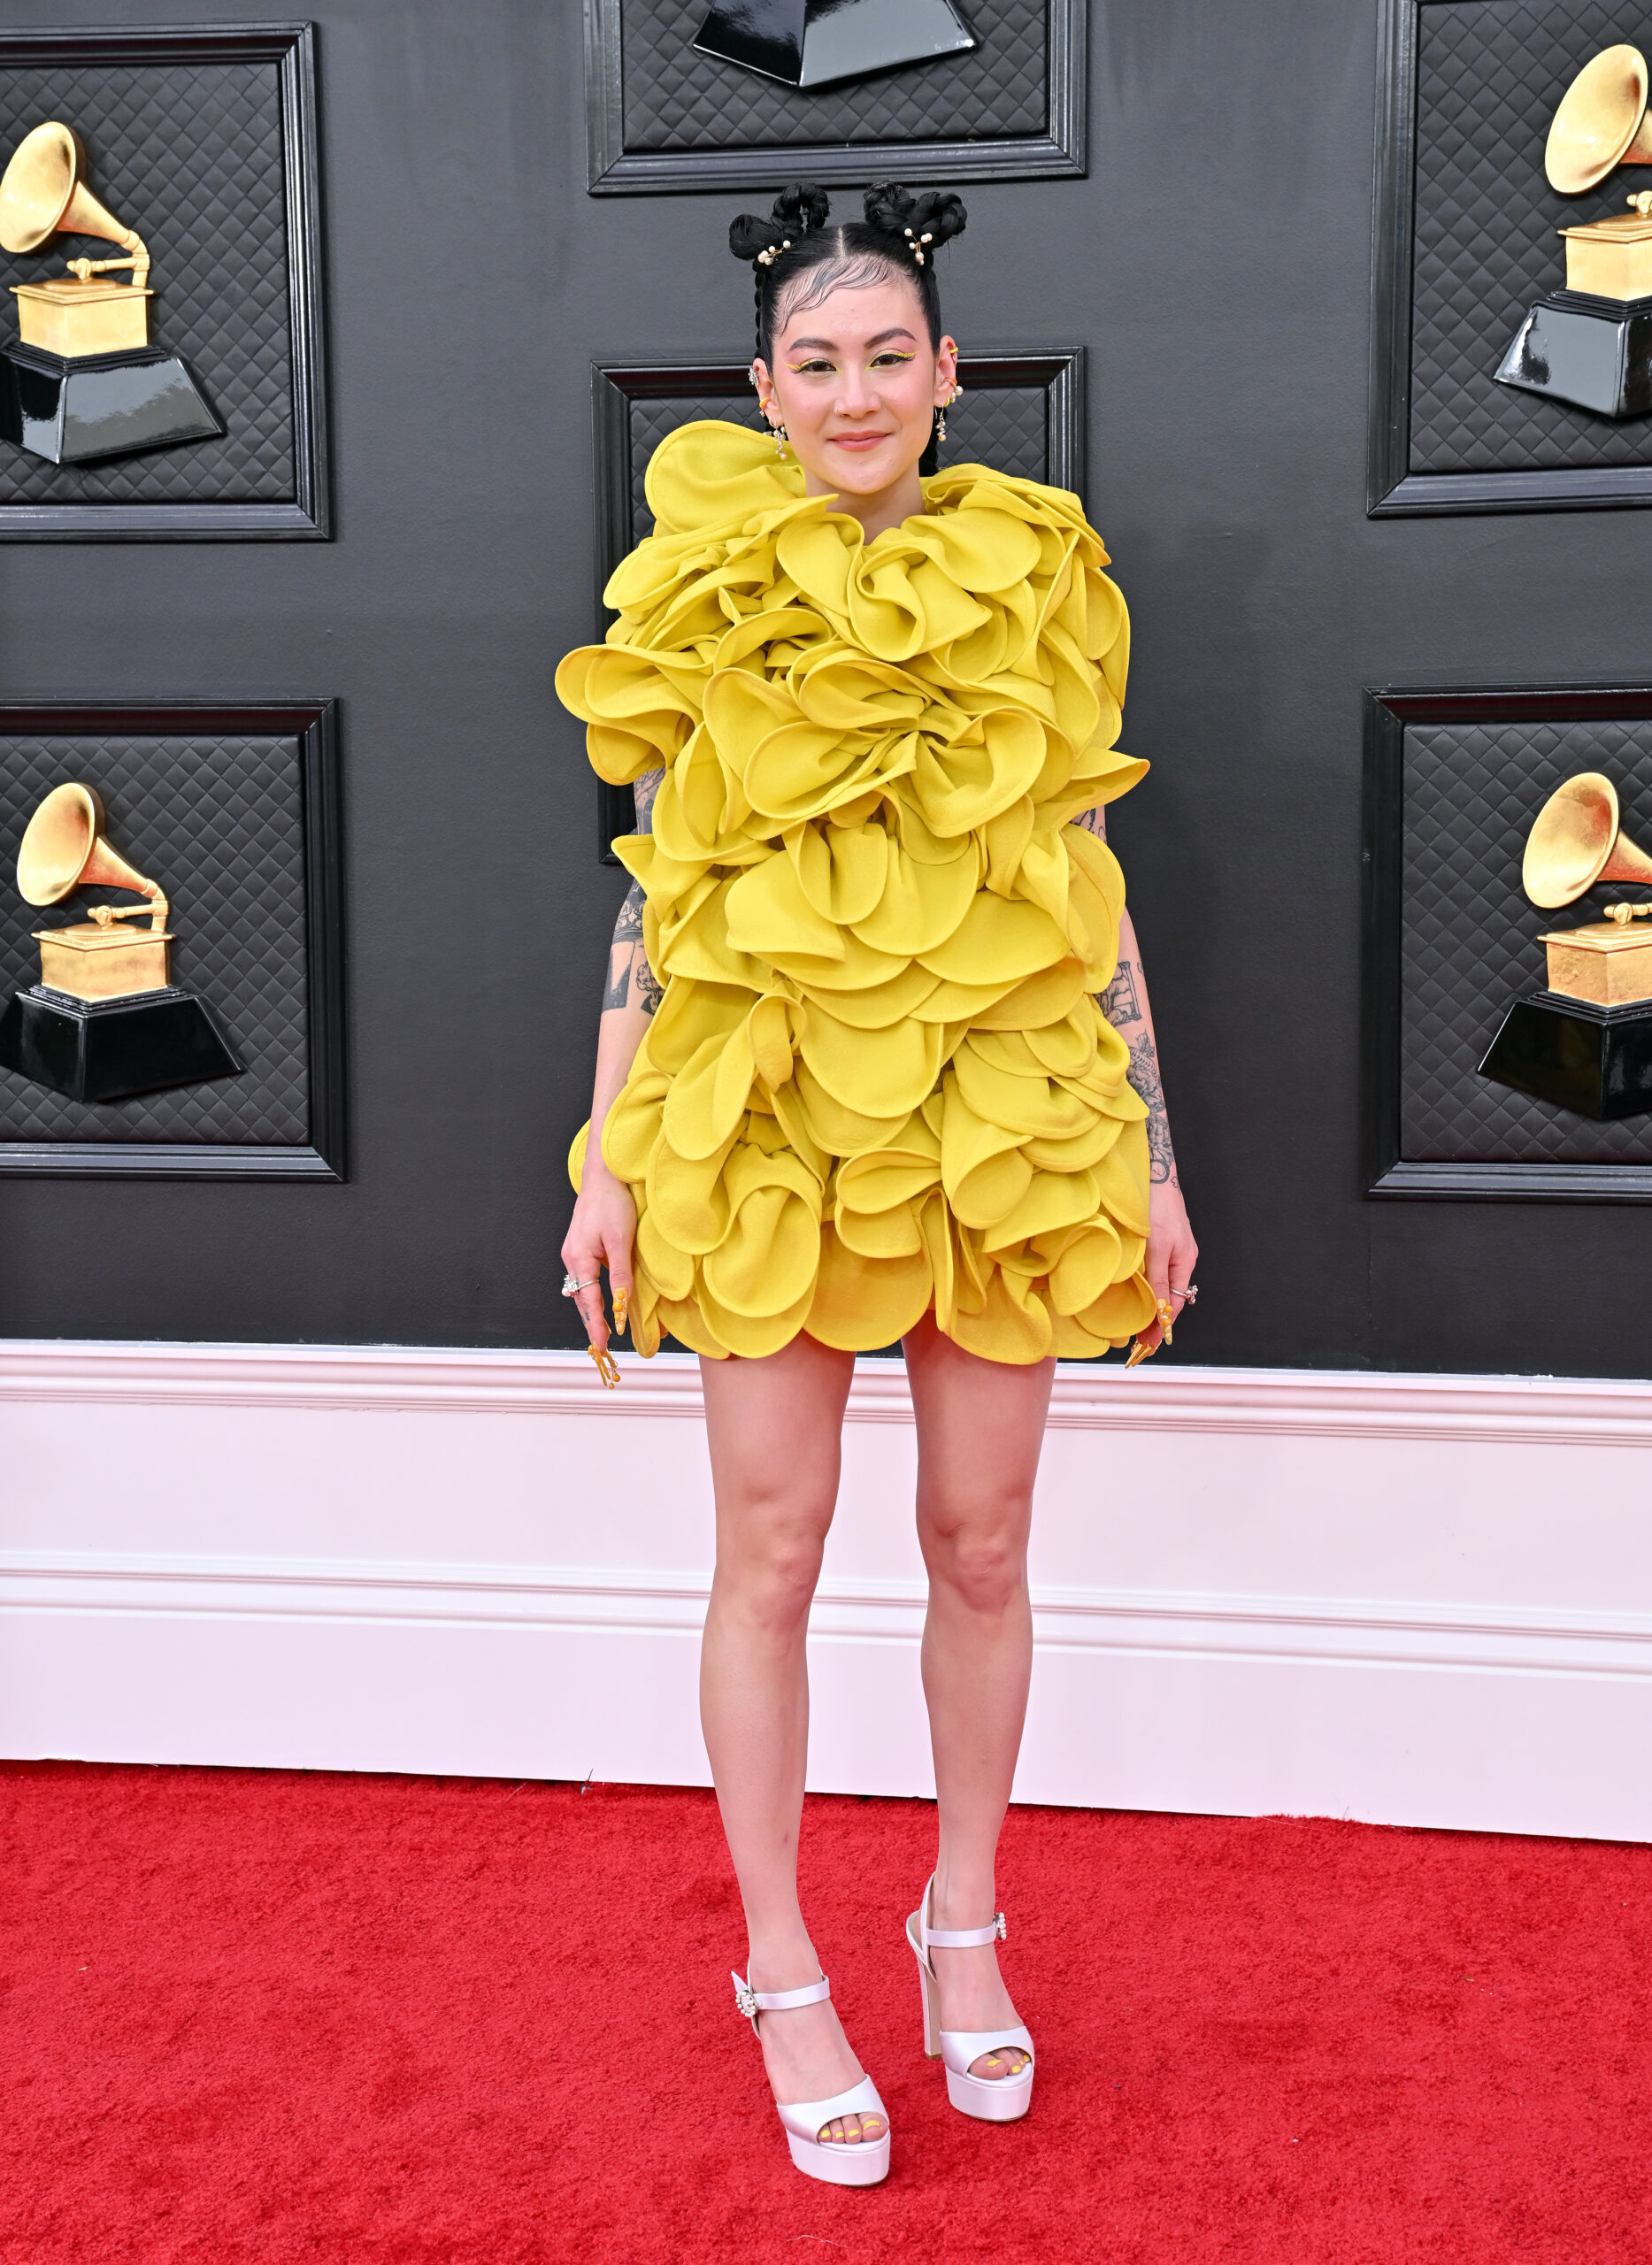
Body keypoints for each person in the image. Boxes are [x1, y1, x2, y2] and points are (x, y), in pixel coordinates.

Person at [556, 181, 1198, 2187]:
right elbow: (653, 894)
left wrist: (1157, 1159)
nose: (853, 391)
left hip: (1007, 1107)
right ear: (763, 385)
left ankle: (963, 1922)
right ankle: (777, 1963)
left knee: (983, 1538)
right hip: (764, 1113)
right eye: (814, 364)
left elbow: (1087, 889)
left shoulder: (1032, 575)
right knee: (769, 1544)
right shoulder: (700, 585)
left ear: (947, 376)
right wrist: (604, 1155)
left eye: (886, 357)